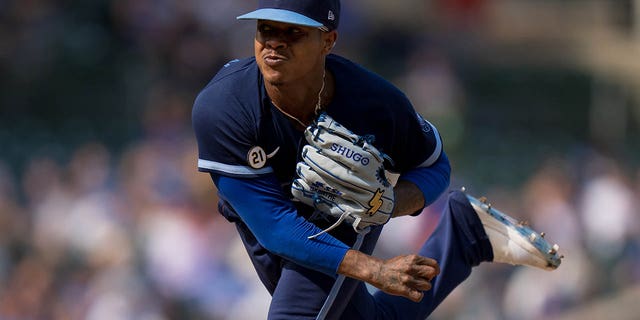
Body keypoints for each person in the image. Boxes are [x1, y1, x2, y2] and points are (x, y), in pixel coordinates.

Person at [192, 0, 561, 318]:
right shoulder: (224, 107)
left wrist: (388, 204)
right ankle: (464, 234)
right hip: (269, 218)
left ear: (328, 40)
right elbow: (274, 226)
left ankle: (463, 234)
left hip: (342, 213)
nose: (275, 43)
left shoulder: (375, 102)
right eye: (266, 29)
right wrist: (374, 269)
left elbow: (434, 164)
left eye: (294, 33)